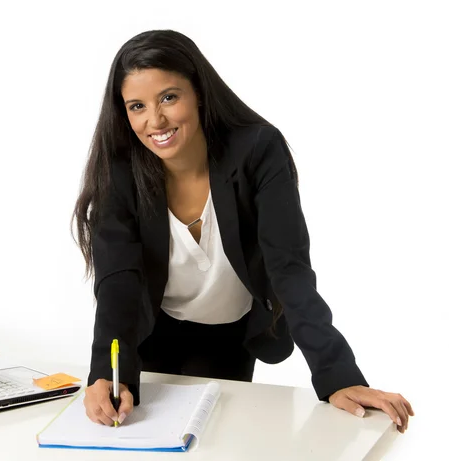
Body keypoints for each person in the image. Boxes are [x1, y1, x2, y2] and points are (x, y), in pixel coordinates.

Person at [72, 29, 413, 433]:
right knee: (140, 432)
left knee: (216, 439)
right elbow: (119, 280)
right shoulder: (121, 168)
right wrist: (104, 374)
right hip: (151, 329)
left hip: (227, 333)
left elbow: (287, 268)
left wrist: (338, 374)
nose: (155, 120)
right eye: (136, 106)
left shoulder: (257, 150)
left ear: (198, 90)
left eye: (169, 97)